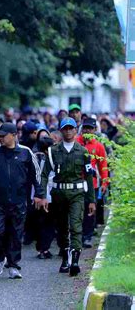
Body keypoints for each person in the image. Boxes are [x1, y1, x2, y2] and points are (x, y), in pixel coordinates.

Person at [0, 123, 43, 279]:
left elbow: (36, 175)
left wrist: (39, 194)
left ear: (14, 135)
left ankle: (14, 265)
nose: (0, 138)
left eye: (3, 135)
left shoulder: (26, 152)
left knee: (15, 233)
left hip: (19, 200)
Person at [39, 117, 95, 276]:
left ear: (75, 130)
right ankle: (65, 258)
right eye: (65, 128)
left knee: (76, 226)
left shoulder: (83, 152)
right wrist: (42, 196)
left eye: (71, 128)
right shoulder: (53, 151)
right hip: (59, 195)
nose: (68, 131)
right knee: (62, 227)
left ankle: (75, 261)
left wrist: (91, 200)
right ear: (61, 131)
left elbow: (89, 176)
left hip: (77, 194)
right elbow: (44, 175)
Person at [76, 118, 108, 248]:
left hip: (92, 184)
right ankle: (76, 236)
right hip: (76, 182)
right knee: (76, 210)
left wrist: (105, 183)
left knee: (90, 210)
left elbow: (103, 166)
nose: (87, 131)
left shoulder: (98, 146)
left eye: (90, 128)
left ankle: (87, 237)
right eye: (85, 128)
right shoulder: (75, 142)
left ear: (95, 130)